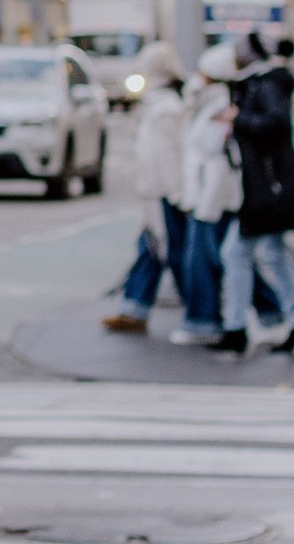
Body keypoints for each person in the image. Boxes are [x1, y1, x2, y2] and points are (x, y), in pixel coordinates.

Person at [221, 34, 294, 356]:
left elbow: (276, 124)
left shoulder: (264, 85)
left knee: (236, 253)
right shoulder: (258, 83)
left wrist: (238, 119)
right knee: (272, 254)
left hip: (268, 187)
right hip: (268, 185)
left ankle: (236, 329)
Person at [101, 42, 188, 331]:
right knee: (152, 248)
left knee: (171, 252)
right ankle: (134, 309)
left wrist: (174, 192)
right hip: (157, 191)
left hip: (162, 192)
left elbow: (165, 156)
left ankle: (203, 313)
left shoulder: (165, 109)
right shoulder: (160, 105)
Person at [175, 64, 243, 340]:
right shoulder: (210, 105)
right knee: (230, 258)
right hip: (210, 194)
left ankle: (202, 320)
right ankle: (271, 311)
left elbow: (212, 148)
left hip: (212, 195)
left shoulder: (218, 107)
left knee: (204, 260)